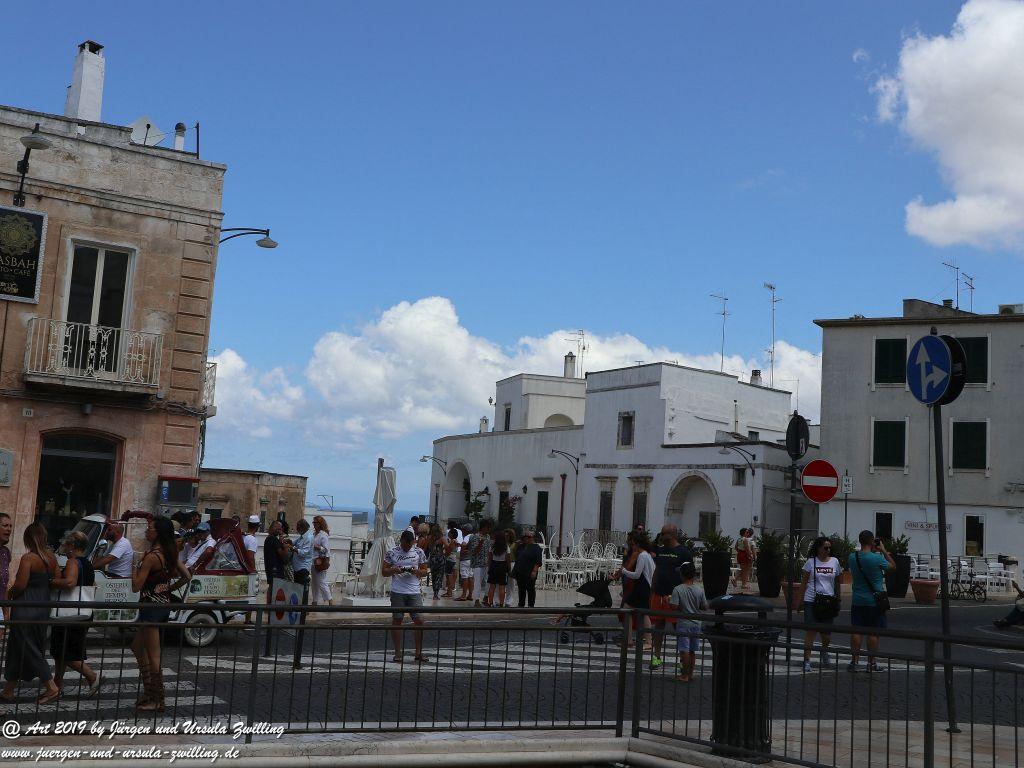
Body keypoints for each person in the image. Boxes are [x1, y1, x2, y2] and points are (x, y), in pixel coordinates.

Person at [131, 517, 191, 711]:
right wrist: (168, 588)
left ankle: (157, 699)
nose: (146, 532)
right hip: (162, 604)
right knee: (137, 647)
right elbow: (187, 576)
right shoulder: (169, 553)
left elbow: (136, 586)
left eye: (149, 529)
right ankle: (149, 691)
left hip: (151, 607)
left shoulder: (151, 557)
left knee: (153, 655)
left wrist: (134, 567)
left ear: (157, 533)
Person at [1, 522, 60, 704]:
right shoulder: (51, 558)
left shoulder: (29, 558)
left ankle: (51, 687)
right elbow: (56, 579)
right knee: (19, 647)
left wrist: (9, 594)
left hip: (25, 607)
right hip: (42, 606)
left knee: (27, 646)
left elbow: (20, 584)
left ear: (28, 539)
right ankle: (8, 690)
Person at [49, 531, 100, 696]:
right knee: (60, 650)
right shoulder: (88, 563)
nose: (64, 546)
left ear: (72, 545)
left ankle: (92, 677)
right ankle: (57, 684)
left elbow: (70, 582)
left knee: (67, 653)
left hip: (69, 612)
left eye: (66, 543)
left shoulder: (73, 562)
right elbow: (92, 583)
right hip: (82, 611)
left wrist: (51, 582)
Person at [848, 530, 894, 673]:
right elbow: (893, 566)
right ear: (872, 541)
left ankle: (854, 662)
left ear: (860, 541)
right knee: (873, 633)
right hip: (874, 601)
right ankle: (871, 663)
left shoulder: (852, 557)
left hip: (857, 600)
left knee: (856, 631)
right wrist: (883, 550)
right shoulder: (877, 558)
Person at [648, 524, 693, 669]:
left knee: (678, 627)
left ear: (672, 535)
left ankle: (682, 659)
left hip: (675, 596)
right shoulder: (660, 551)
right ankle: (656, 656)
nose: (660, 536)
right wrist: (652, 588)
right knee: (658, 625)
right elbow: (657, 570)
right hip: (659, 593)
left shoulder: (683, 552)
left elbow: (689, 576)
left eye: (663, 534)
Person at [382, 530, 429, 663]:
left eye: (410, 545)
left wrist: (417, 571)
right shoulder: (392, 552)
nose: (408, 548)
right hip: (398, 591)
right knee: (397, 621)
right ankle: (398, 653)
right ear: (401, 541)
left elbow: (425, 571)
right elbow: (384, 571)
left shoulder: (419, 552)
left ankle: (418, 652)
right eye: (406, 545)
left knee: (419, 621)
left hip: (414, 591)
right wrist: (394, 570)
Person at [800, 536, 842, 671]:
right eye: (825, 547)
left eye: (830, 547)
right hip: (811, 599)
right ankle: (807, 660)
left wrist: (838, 598)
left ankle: (824, 650)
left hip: (828, 601)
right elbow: (804, 583)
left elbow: (837, 582)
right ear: (818, 548)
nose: (828, 550)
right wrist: (799, 601)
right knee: (811, 631)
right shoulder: (810, 562)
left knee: (826, 635)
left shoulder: (835, 562)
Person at [615, 531, 655, 650]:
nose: (632, 547)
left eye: (633, 544)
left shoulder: (642, 556)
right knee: (642, 613)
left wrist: (624, 571)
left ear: (637, 544)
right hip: (645, 587)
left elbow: (637, 574)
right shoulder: (647, 555)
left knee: (628, 610)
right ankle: (640, 640)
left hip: (641, 587)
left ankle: (634, 640)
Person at [670, 561, 707, 683]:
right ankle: (691, 674)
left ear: (682, 575)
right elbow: (704, 606)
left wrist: (666, 601)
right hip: (697, 623)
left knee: (684, 649)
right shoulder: (699, 590)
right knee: (692, 650)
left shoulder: (678, 589)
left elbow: (674, 607)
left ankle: (684, 675)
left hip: (684, 623)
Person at [511, 530, 543, 608]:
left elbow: (538, 560)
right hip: (520, 570)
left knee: (530, 588)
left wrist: (534, 571)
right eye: (525, 537)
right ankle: (521, 604)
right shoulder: (521, 546)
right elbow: (515, 555)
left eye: (529, 537)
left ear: (532, 538)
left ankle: (530, 605)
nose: (527, 539)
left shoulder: (536, 547)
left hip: (530, 571)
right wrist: (516, 544)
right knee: (521, 588)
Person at [264, 520, 289, 605]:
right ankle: (272, 607)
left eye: (280, 529)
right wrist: (285, 546)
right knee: (275, 587)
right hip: (275, 568)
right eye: (277, 528)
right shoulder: (273, 539)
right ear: (272, 528)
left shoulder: (269, 539)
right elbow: (282, 554)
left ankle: (269, 606)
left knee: (271, 587)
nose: (279, 531)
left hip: (270, 567)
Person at [469, 519, 493, 607]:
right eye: (488, 528)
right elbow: (475, 551)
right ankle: (476, 600)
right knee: (477, 582)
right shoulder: (475, 537)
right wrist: (480, 543)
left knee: (488, 581)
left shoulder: (488, 537)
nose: (489, 529)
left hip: (486, 563)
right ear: (483, 527)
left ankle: (486, 597)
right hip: (477, 563)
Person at [311, 516, 333, 606]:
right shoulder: (314, 534)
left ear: (320, 524)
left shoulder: (323, 535)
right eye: (314, 523)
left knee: (321, 581)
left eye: (315, 523)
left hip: (320, 561)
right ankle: (315, 600)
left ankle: (330, 599)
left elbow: (325, 550)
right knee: (314, 582)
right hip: (313, 560)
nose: (314, 524)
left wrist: (316, 547)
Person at [486, 532, 510, 607]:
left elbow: (489, 558)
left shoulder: (492, 547)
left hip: (493, 565)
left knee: (492, 586)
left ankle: (490, 603)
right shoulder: (506, 547)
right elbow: (508, 559)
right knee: (502, 587)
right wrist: (509, 569)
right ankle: (501, 604)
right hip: (502, 566)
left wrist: (489, 567)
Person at [427, 524, 448, 600]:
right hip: (440, 558)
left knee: (434, 576)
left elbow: (428, 547)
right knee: (439, 576)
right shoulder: (442, 539)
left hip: (432, 558)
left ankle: (434, 592)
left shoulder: (429, 538)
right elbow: (447, 547)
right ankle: (436, 594)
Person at [292, 518, 313, 589]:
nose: (297, 529)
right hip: (297, 568)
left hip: (302, 568)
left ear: (303, 528)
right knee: (297, 590)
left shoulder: (308, 538)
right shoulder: (301, 537)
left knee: (301, 591)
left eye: (298, 527)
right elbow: (293, 543)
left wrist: (293, 548)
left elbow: (303, 553)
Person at [455, 524, 474, 601]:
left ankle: (463, 595)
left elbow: (464, 544)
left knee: (464, 577)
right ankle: (470, 595)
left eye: (463, 530)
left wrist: (462, 550)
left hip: (465, 560)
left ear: (466, 530)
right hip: (471, 559)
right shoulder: (473, 536)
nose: (462, 531)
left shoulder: (467, 537)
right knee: (471, 577)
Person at [0, 512, 12, 633]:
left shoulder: (6, 553)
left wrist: (6, 611)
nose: (9, 529)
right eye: (5, 525)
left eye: (10, 526)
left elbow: (4, 585)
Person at [443, 527, 460, 598]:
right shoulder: (455, 541)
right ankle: (449, 591)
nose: (448, 533)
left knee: (448, 575)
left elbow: (449, 550)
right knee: (449, 575)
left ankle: (449, 591)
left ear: (452, 534)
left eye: (449, 532)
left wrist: (444, 554)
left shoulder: (452, 541)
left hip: (449, 559)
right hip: (453, 559)